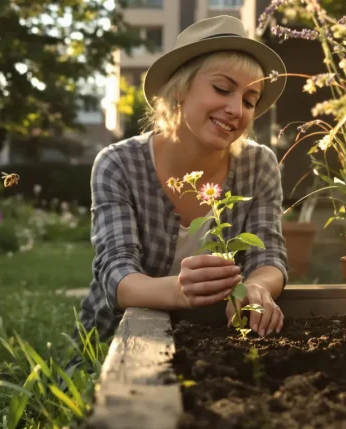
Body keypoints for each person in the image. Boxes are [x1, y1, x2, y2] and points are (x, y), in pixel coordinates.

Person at [77, 15, 289, 346]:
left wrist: (258, 286)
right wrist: (179, 290)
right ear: (180, 89)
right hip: (116, 343)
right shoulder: (119, 164)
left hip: (219, 340)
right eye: (222, 88)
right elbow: (117, 276)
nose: (236, 109)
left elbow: (269, 257)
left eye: (250, 100)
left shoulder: (259, 165)